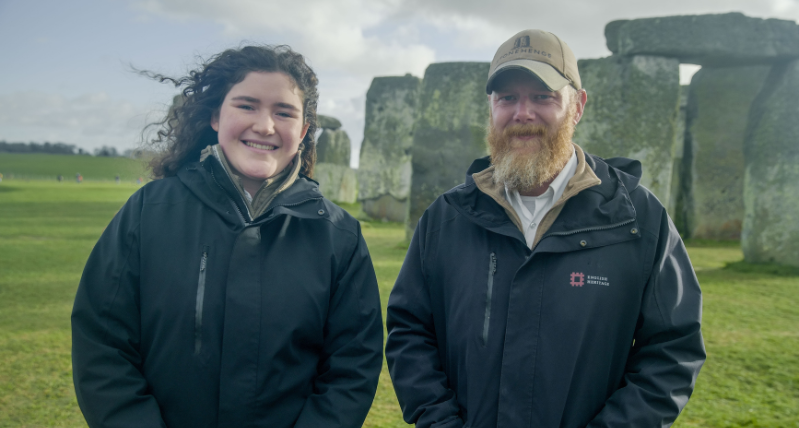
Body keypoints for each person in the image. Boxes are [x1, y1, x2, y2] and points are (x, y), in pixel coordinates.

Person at [385, 29, 705, 428]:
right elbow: (409, 331)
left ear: (578, 106)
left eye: (543, 96)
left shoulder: (638, 219)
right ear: (491, 108)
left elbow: (673, 349)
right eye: (507, 98)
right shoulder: (447, 217)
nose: (523, 114)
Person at [72, 45, 383, 428]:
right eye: (247, 105)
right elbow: (103, 342)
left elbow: (352, 366)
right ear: (216, 116)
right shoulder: (148, 212)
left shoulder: (338, 237)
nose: (265, 125)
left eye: (283, 112)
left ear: (302, 131)